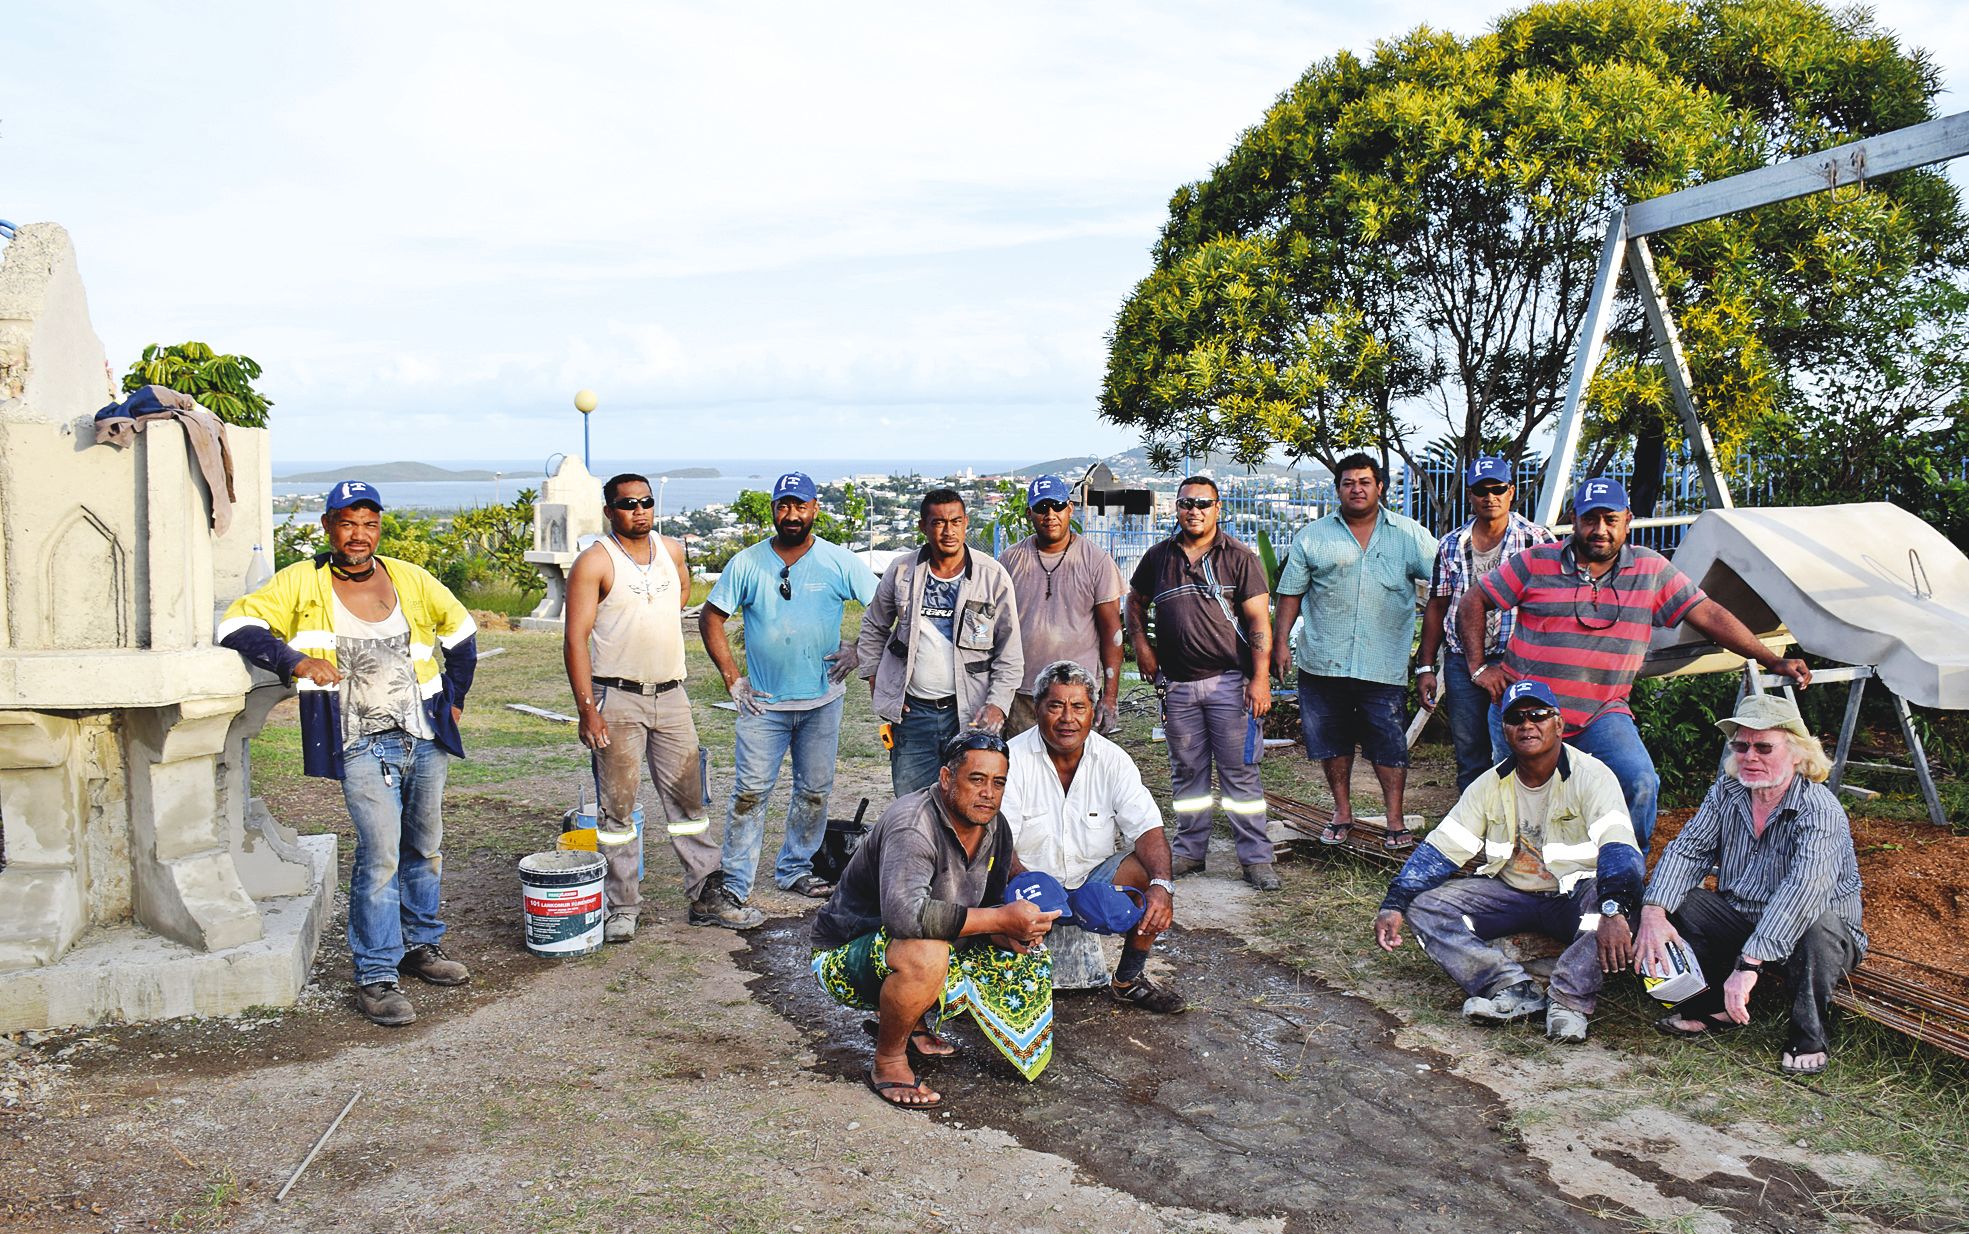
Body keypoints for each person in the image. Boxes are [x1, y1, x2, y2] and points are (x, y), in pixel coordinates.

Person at [218, 481, 477, 1026]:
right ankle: (377, 973)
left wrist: (454, 701)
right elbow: (236, 624)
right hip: (358, 740)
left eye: (369, 524)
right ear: (328, 526)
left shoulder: (408, 577)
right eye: (347, 523)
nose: (358, 535)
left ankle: (420, 946)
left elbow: (461, 632)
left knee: (424, 846)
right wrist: (294, 661)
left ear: (378, 528)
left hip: (422, 735)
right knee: (380, 852)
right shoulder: (300, 582)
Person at [1459, 476, 1811, 850]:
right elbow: (1472, 602)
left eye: (1610, 520)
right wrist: (1480, 668)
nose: (1600, 530)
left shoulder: (1650, 570)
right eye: (1590, 520)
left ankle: (1624, 874)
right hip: (1527, 713)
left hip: (1601, 713)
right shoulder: (1536, 562)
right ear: (1574, 519)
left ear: (1628, 519)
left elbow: (1708, 614)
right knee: (1519, 805)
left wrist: (1771, 659)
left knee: (1639, 781)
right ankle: (1517, 879)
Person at [1373, 681, 1643, 1043]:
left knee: (1621, 906)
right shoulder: (1489, 784)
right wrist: (1394, 903)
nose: (1527, 725)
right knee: (1424, 907)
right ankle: (1512, 987)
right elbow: (1441, 850)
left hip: (1575, 898)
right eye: (1516, 718)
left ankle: (1569, 1000)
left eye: (1538, 715)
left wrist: (1613, 909)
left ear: (1558, 725)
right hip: (1512, 895)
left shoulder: (1592, 776)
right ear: (1504, 730)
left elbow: (1619, 849)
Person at [810, 731, 1060, 1108]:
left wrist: (1010, 932)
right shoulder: (912, 825)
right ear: (946, 778)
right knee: (926, 953)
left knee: (1026, 955)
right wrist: (999, 919)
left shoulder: (996, 826)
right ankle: (889, 1061)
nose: (988, 793)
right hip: (846, 954)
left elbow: (989, 904)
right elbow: (905, 917)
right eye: (976, 779)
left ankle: (914, 1024)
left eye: (998, 782)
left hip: (913, 942)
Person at [1637, 694, 1865, 1076]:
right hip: (1744, 919)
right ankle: (1713, 1007)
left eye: (1764, 747)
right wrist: (1653, 911)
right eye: (1741, 746)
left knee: (1817, 924)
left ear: (1797, 754)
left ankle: (1808, 1035)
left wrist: (1749, 964)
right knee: (1679, 901)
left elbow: (1803, 892)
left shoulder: (1820, 810)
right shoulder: (1727, 792)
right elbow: (1688, 851)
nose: (1750, 756)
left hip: (1816, 935)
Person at [563, 473, 747, 939]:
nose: (639, 510)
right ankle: (622, 906)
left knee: (690, 800)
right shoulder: (595, 562)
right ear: (610, 511)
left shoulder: (673, 550)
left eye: (645, 501)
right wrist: (588, 708)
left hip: (671, 695)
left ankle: (706, 892)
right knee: (617, 810)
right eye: (627, 504)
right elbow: (575, 638)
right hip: (616, 696)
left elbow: (678, 598)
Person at [699, 471, 879, 915]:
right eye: (784, 506)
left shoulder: (839, 561)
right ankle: (736, 882)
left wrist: (859, 650)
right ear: (774, 509)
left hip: (822, 703)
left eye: (800, 506)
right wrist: (731, 678)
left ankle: (795, 868)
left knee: (815, 789)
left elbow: (886, 605)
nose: (792, 514)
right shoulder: (747, 563)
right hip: (762, 705)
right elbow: (710, 617)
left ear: (815, 508)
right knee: (749, 792)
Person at [1272, 452, 1438, 851]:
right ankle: (1342, 811)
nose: (1357, 489)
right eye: (1348, 483)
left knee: (1388, 745)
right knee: (1333, 743)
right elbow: (1290, 594)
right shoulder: (1313, 536)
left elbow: (1445, 582)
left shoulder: (1408, 535)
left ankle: (1395, 821)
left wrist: (1430, 652)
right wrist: (1280, 643)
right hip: (1322, 662)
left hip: (1383, 664)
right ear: (1338, 489)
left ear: (1380, 487)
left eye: (1365, 481)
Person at [1001, 660, 1184, 1012]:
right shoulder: (1012, 758)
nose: (1067, 718)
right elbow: (998, 841)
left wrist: (1164, 885)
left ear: (1093, 711)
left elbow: (1148, 829)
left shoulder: (1113, 760)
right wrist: (1029, 887)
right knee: (985, 882)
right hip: (1027, 885)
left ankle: (1128, 980)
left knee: (1151, 874)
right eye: (1055, 706)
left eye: (1078, 707)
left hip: (1091, 883)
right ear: (1037, 709)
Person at [1126, 476, 1277, 889]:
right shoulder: (1159, 557)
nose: (1194, 510)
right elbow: (1133, 601)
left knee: (1240, 774)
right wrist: (1142, 645)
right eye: (1186, 503)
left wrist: (1260, 679)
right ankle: (1190, 852)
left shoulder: (1240, 558)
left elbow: (1259, 623)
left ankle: (1256, 859)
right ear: (1176, 508)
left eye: (1203, 503)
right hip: (1178, 686)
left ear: (1218, 508)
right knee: (1187, 774)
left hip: (1230, 684)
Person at [857, 488, 1023, 796]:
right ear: (923, 526)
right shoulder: (902, 570)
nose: (948, 531)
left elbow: (1009, 651)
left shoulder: (992, 576)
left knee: (966, 800)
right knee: (911, 804)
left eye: (955, 521)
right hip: (913, 715)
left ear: (966, 523)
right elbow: (873, 626)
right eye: (938, 522)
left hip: (969, 712)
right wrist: (876, 683)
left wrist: (997, 704)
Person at [1415, 457, 1556, 792]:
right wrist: (1425, 667)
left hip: (1517, 662)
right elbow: (1438, 604)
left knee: (1519, 748)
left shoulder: (1537, 540)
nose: (1489, 497)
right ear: (1470, 494)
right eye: (1481, 490)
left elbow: (1557, 601)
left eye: (1497, 489)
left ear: (1511, 492)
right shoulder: (1452, 544)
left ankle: (1520, 826)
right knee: (1469, 752)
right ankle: (1474, 830)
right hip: (1463, 663)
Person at [998, 474, 1125, 739]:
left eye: (1057, 505)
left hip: (1075, 694)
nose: (1050, 514)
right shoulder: (1011, 559)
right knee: (1023, 772)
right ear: (1029, 512)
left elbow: (1112, 632)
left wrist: (1110, 698)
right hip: (1022, 693)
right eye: (1042, 508)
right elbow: (996, 627)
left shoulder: (1095, 560)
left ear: (1070, 508)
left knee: (1073, 772)